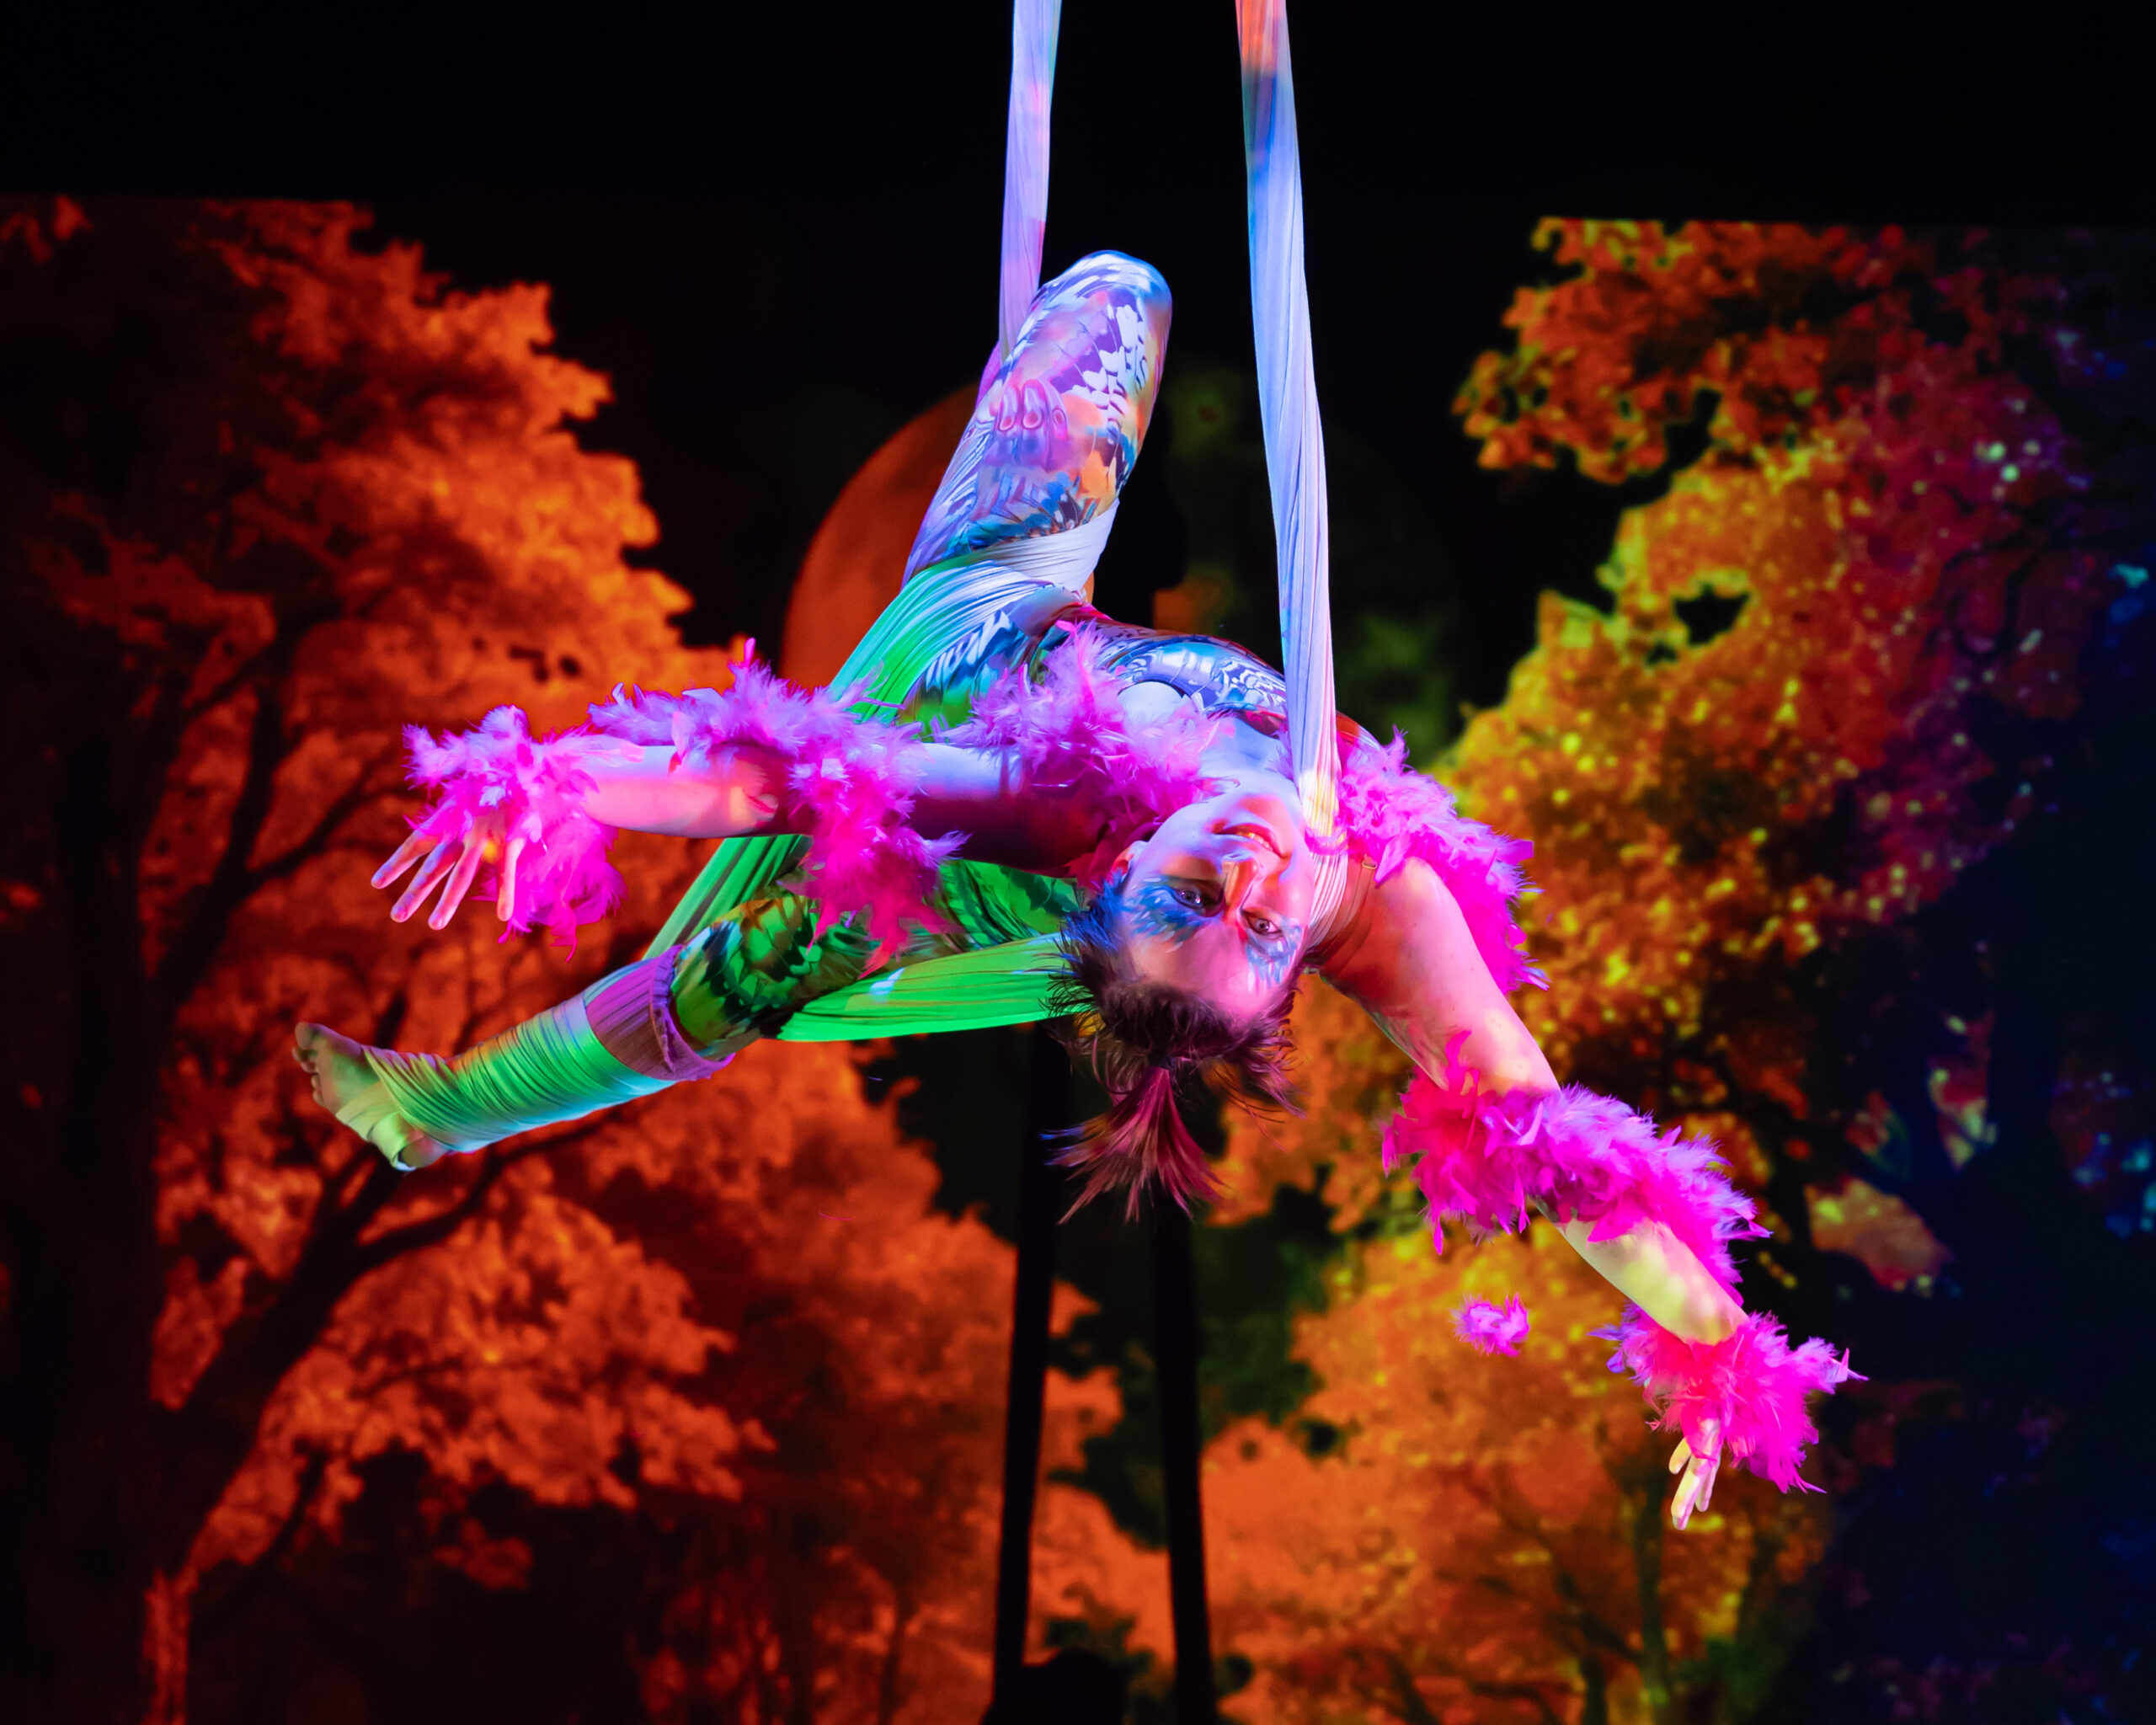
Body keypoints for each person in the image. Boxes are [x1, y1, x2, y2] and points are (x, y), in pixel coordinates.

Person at [296, 248, 1854, 1530]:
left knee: (748, 964)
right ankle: (462, 1106)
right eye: (1258, 929)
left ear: (1125, 872)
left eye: (1192, 904)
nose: (1247, 879)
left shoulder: (1060, 811)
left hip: (974, 641)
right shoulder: (1372, 898)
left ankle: (448, 1109)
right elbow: (1548, 1148)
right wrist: (1719, 1343)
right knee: (1129, 284)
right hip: (1057, 647)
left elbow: (774, 777)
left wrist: (547, 779)